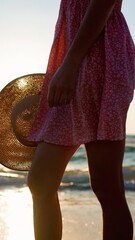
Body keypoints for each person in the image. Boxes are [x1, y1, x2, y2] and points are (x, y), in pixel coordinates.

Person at [26, 0, 135, 239]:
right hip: (70, 61)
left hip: (102, 55)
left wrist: (71, 63)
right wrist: (65, 64)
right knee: (41, 180)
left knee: (107, 187)